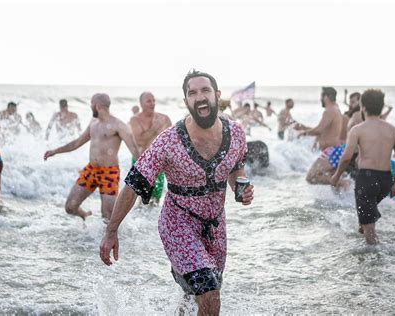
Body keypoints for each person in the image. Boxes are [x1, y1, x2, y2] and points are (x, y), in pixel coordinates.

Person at [99, 70, 254, 315]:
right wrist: (111, 231)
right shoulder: (168, 141)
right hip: (177, 224)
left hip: (215, 227)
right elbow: (133, 185)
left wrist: (241, 187)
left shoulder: (235, 133)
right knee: (210, 293)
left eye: (205, 90)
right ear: (186, 102)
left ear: (217, 95)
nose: (199, 96)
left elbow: (237, 167)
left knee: (200, 294)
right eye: (192, 93)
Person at [44, 93, 140, 221]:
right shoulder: (93, 124)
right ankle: (85, 215)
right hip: (91, 170)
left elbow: (134, 149)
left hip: (109, 173)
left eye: (91, 104)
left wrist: (146, 174)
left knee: (107, 216)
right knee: (70, 207)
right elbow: (77, 143)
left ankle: (109, 238)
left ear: (97, 106)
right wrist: (55, 151)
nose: (90, 106)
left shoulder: (118, 125)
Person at [331, 89, 395, 245]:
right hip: (385, 181)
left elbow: (346, 158)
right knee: (366, 216)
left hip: (366, 179)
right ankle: (365, 224)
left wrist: (336, 176)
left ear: (363, 107)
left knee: (370, 234)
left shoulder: (358, 129)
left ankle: (376, 261)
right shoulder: (393, 130)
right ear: (382, 106)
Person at [299, 87, 348, 187]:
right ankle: (346, 198)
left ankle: (345, 184)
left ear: (326, 97)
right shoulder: (336, 109)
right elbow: (324, 130)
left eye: (321, 96)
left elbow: (319, 130)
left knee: (311, 177)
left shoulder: (329, 111)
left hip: (332, 151)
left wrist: (304, 133)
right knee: (333, 182)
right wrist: (305, 128)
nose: (320, 99)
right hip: (336, 150)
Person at [129, 92, 172, 204]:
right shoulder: (135, 120)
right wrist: (155, 128)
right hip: (141, 161)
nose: (152, 103)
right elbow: (140, 141)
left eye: (153, 100)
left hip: (159, 162)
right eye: (149, 101)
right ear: (141, 103)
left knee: (155, 200)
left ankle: (151, 221)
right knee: (138, 197)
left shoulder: (165, 118)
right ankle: (138, 220)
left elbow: (173, 141)